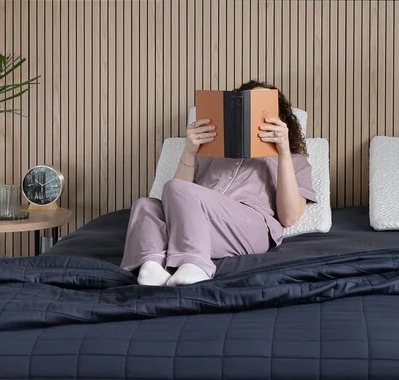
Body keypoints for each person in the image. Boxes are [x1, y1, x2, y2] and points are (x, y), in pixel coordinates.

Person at [121, 81, 315, 286]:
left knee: (174, 186)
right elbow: (176, 199)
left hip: (249, 227)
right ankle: (151, 265)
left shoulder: (295, 161)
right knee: (146, 205)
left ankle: (196, 264)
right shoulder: (210, 154)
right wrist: (190, 150)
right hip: (199, 226)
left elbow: (290, 217)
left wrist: (283, 152)